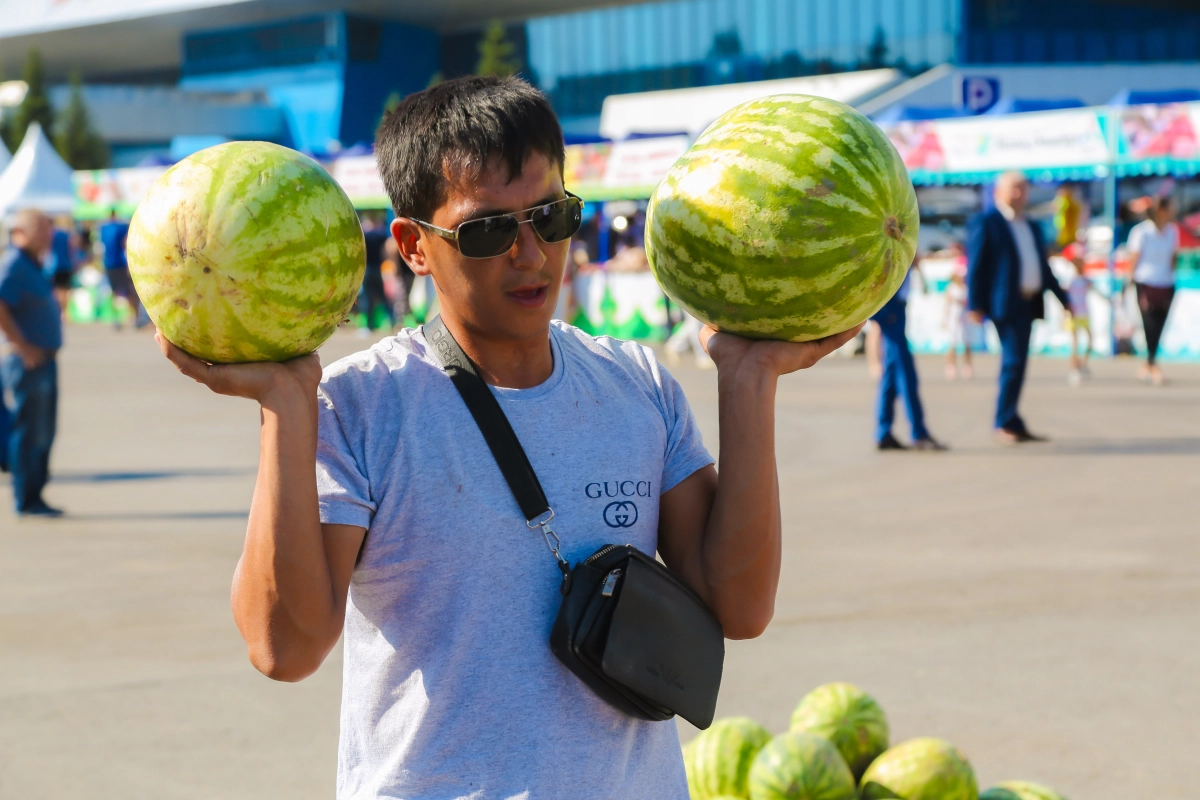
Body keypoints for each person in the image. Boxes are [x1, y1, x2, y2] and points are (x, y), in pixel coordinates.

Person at [155, 76, 861, 799]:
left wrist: (748, 382)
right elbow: (283, 646)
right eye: (489, 230)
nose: (531, 254)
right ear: (413, 246)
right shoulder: (360, 407)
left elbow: (738, 609)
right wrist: (284, 404)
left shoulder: (636, 384)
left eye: (551, 216)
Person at [967, 171, 1071, 444]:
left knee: (1019, 362)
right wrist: (975, 303)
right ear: (997, 192)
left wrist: (1065, 300)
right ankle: (1004, 421)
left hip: (1029, 302)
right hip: (1004, 304)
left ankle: (1011, 418)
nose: (1018, 194)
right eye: (1013, 188)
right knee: (1013, 361)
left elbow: (1044, 269)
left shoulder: (1033, 226)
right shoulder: (988, 222)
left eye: (1022, 189)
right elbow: (976, 264)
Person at [0, 209, 64, 517]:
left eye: (48, 227)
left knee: (43, 431)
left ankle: (35, 495)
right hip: (28, 363)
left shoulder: (32, 263)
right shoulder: (14, 264)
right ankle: (27, 499)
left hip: (43, 361)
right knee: (29, 432)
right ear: (20, 232)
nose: (47, 234)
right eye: (40, 228)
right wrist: (21, 345)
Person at [872, 257, 946, 451]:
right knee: (906, 373)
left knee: (891, 372)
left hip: (895, 303)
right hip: (889, 304)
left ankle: (884, 431)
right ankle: (918, 432)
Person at [1127, 196, 1179, 386]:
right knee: (1149, 324)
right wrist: (1130, 280)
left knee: (1159, 325)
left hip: (1165, 282)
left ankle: (1149, 364)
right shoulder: (1141, 232)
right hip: (1145, 281)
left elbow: (1173, 256)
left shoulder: (1172, 231)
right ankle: (1152, 364)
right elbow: (1134, 257)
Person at [98, 210, 141, 329]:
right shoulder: (121, 226)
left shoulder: (104, 228)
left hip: (109, 264)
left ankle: (118, 318)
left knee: (116, 292)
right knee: (128, 291)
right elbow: (126, 242)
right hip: (120, 263)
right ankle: (134, 317)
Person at [1062, 243, 1095, 386]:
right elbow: (1064, 298)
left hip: (1084, 314)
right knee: (1075, 343)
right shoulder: (1070, 279)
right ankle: (1074, 369)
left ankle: (1082, 364)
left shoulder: (1085, 280)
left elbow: (1094, 289)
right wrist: (1064, 313)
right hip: (1073, 314)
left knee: (1090, 340)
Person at [943, 264, 972, 380]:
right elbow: (947, 304)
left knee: (967, 343)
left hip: (965, 319)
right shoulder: (951, 288)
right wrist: (945, 319)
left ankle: (967, 366)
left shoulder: (967, 288)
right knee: (952, 343)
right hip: (953, 320)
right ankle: (951, 366)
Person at [43, 221, 75, 317]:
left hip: (54, 267)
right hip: (66, 265)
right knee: (65, 290)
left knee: (56, 291)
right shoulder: (64, 234)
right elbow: (71, 249)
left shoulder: (50, 235)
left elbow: (47, 250)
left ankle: (60, 312)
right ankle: (65, 312)